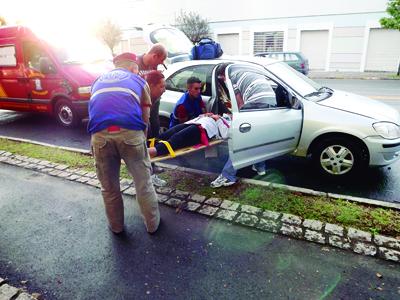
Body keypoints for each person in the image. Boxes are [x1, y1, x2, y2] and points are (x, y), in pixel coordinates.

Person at [88, 52, 160, 234]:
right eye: (136, 70)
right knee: (143, 183)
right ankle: (152, 226)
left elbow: (95, 109)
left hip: (100, 136)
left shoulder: (97, 81)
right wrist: (141, 139)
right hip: (130, 134)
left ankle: (116, 227)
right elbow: (146, 116)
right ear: (133, 67)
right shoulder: (139, 81)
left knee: (109, 187)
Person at [211, 70, 271, 188]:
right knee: (256, 137)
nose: (223, 81)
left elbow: (240, 103)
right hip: (268, 100)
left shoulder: (232, 78)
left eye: (222, 78)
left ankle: (228, 176)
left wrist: (236, 118)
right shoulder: (242, 72)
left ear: (224, 75)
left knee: (241, 141)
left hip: (256, 102)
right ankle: (260, 167)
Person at [138, 45, 168, 187]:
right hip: (140, 107)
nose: (158, 65)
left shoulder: (154, 68)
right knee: (144, 133)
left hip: (154, 105)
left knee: (154, 132)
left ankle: (153, 165)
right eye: (159, 61)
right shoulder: (135, 64)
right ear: (154, 55)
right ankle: (146, 171)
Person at [148, 113, 229, 158]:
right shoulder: (223, 116)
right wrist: (204, 115)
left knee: (177, 138)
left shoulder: (230, 122)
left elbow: (225, 134)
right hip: (195, 123)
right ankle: (144, 146)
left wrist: (217, 119)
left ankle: (154, 151)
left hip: (203, 130)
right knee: (169, 133)